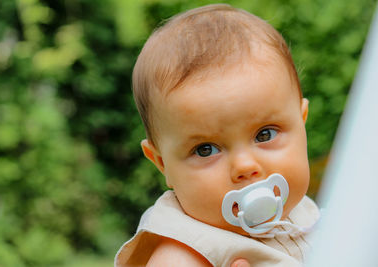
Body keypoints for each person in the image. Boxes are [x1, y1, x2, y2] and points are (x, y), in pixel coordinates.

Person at [115, 4, 320, 267]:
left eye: (265, 134)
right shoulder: (182, 255)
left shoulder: (305, 212)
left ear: (301, 123)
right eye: (205, 149)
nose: (245, 166)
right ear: (162, 163)